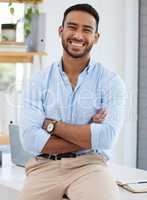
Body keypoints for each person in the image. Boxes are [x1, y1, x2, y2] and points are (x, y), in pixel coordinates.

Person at [18, 3, 126, 200]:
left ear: (96, 37)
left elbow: (107, 138)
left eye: (87, 30)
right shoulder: (38, 81)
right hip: (44, 166)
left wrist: (52, 126)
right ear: (61, 31)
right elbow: (29, 139)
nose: (78, 35)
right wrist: (89, 133)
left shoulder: (111, 82)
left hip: (90, 165)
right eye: (72, 27)